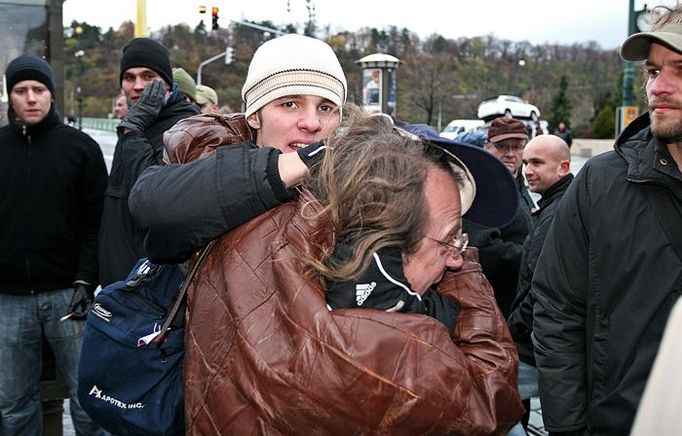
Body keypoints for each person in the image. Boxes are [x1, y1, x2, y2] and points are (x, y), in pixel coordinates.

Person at [171, 110, 524, 433]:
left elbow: (199, 141)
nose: (455, 259)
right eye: (450, 241)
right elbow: (495, 394)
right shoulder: (398, 356)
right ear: (385, 238)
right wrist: (466, 276)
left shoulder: (250, 229)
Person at [532, 7, 682, 434]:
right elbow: (556, 308)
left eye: (680, 69)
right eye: (653, 71)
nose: (659, 86)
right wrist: (570, 427)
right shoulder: (601, 182)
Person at [129, 33, 347, 262]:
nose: (312, 123)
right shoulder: (211, 146)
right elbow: (151, 204)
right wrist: (275, 171)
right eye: (290, 104)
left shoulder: (354, 183)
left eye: (325, 108)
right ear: (254, 116)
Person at [0, 54, 108, 435]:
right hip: (8, 301)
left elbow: (98, 223)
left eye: (39, 89)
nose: (31, 98)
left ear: (51, 94)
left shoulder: (81, 149)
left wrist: (84, 278)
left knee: (89, 402)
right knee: (12, 407)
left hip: (69, 297)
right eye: (21, 90)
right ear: (10, 95)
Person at [98, 37, 199, 287]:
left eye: (148, 76)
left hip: (153, 288)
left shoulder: (187, 126)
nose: (138, 86)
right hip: (121, 283)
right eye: (129, 78)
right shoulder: (135, 124)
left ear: (167, 82)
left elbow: (150, 195)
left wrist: (134, 128)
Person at [506, 134, 572, 430]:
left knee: (486, 402)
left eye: (537, 163)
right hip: (535, 341)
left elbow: (542, 286)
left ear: (563, 167)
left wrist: (513, 328)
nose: (528, 170)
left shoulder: (557, 214)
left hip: (533, 345)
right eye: (526, 163)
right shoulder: (556, 206)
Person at [463, 117, 534, 318]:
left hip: (517, 302)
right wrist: (533, 255)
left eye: (517, 146)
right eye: (502, 146)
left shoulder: (516, 182)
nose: (510, 154)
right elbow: (483, 249)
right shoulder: (482, 189)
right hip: (495, 306)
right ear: (487, 147)